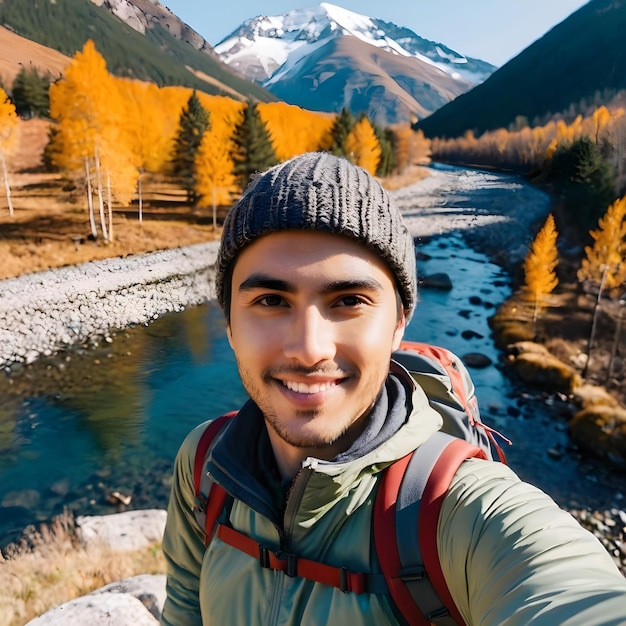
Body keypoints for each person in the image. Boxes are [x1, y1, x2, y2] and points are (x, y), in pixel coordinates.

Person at [161, 152, 626, 626]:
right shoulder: (203, 465)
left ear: (399, 323)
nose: (308, 348)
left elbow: (574, 595)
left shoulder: (461, 512)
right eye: (271, 300)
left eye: (348, 301)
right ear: (230, 325)